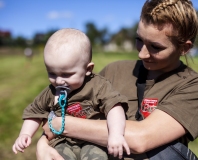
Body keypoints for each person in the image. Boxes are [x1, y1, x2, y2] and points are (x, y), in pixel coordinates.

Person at [36, 0, 198, 159]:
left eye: (156, 47)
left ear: (185, 48)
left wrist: (59, 124)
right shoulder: (114, 71)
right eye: (139, 39)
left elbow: (141, 139)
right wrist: (42, 145)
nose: (142, 53)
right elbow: (72, 110)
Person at [12, 28, 130, 160]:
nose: (58, 81)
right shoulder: (51, 92)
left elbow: (115, 107)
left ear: (87, 69)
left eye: (66, 74)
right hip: (62, 142)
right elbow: (35, 112)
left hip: (93, 141)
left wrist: (116, 134)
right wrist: (25, 134)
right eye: (52, 73)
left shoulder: (98, 86)